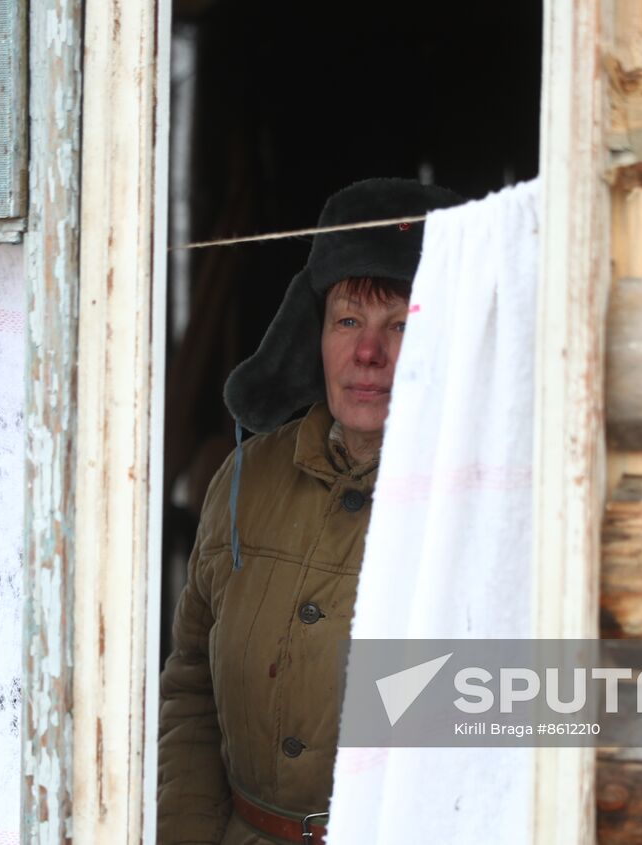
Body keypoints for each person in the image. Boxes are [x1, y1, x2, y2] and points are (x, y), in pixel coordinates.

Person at [158, 178, 464, 845]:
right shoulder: (245, 478)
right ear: (315, 335)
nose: (366, 354)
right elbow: (189, 686)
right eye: (347, 319)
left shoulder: (473, 509)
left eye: (400, 325)